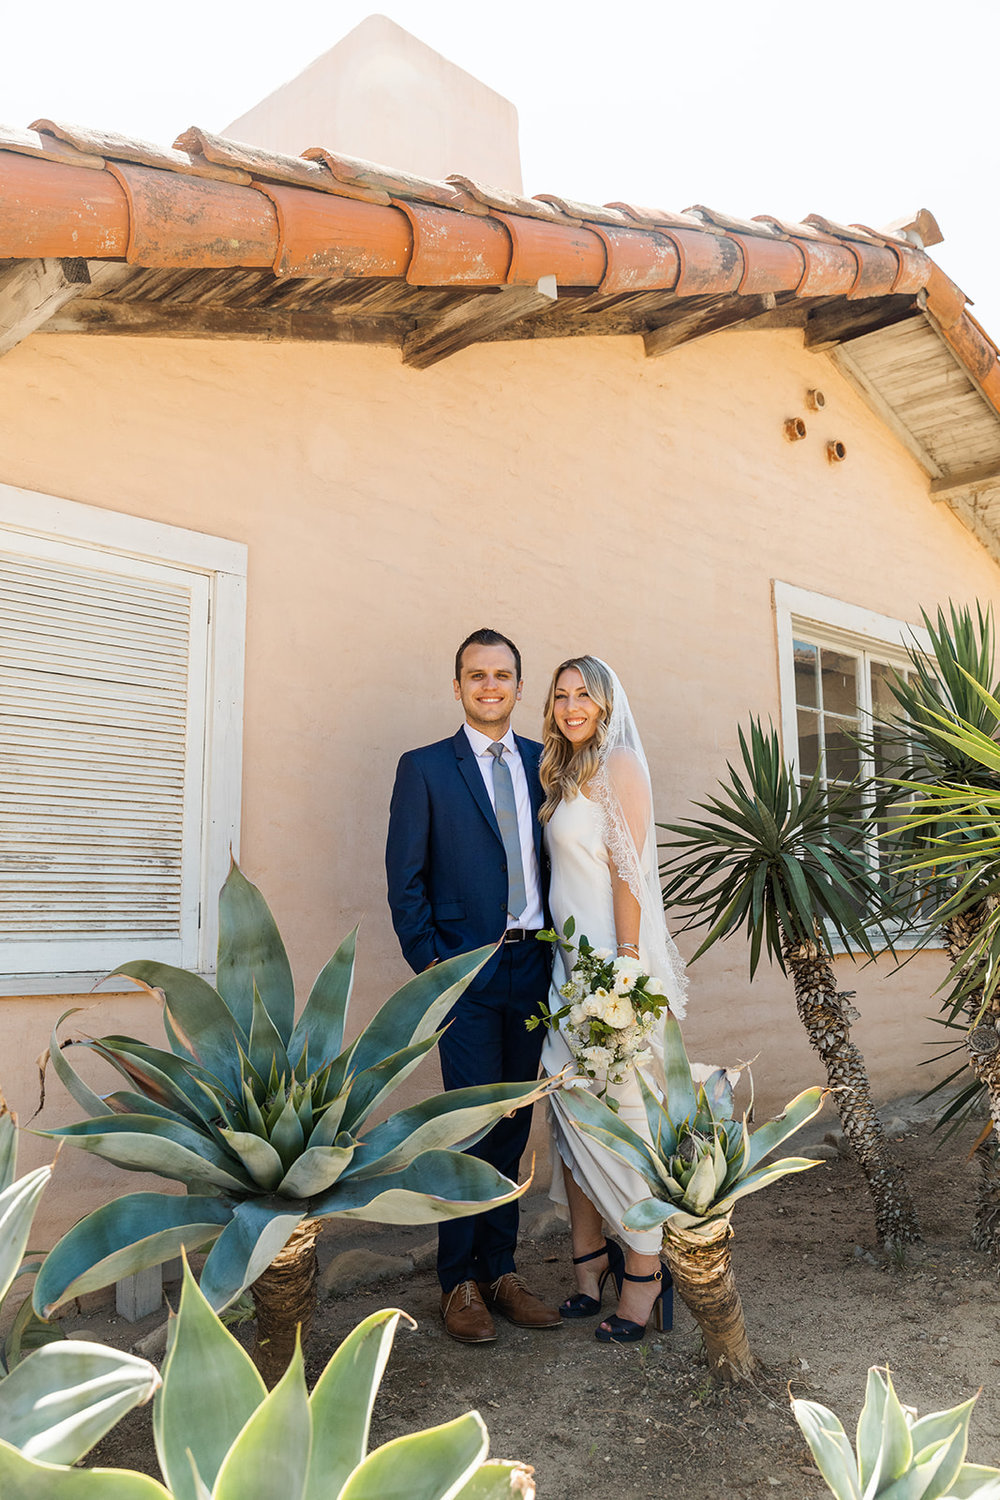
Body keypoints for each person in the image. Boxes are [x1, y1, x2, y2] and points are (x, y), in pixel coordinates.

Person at [385, 628, 560, 1344]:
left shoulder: (544, 763)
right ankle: (458, 1282)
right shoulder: (425, 767)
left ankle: (503, 1271)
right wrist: (434, 967)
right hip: (466, 971)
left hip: (537, 966)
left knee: (515, 1124)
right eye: (476, 675)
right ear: (457, 686)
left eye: (503, 675)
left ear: (520, 687)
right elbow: (406, 879)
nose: (490, 686)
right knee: (467, 1128)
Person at [538, 655, 689, 1344]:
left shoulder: (618, 765)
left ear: (604, 704)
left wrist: (624, 970)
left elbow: (631, 872)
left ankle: (647, 1275)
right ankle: (588, 1270)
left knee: (622, 1125)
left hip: (607, 970)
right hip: (565, 971)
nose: (572, 706)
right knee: (572, 1125)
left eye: (584, 695)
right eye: (561, 695)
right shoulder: (562, 772)